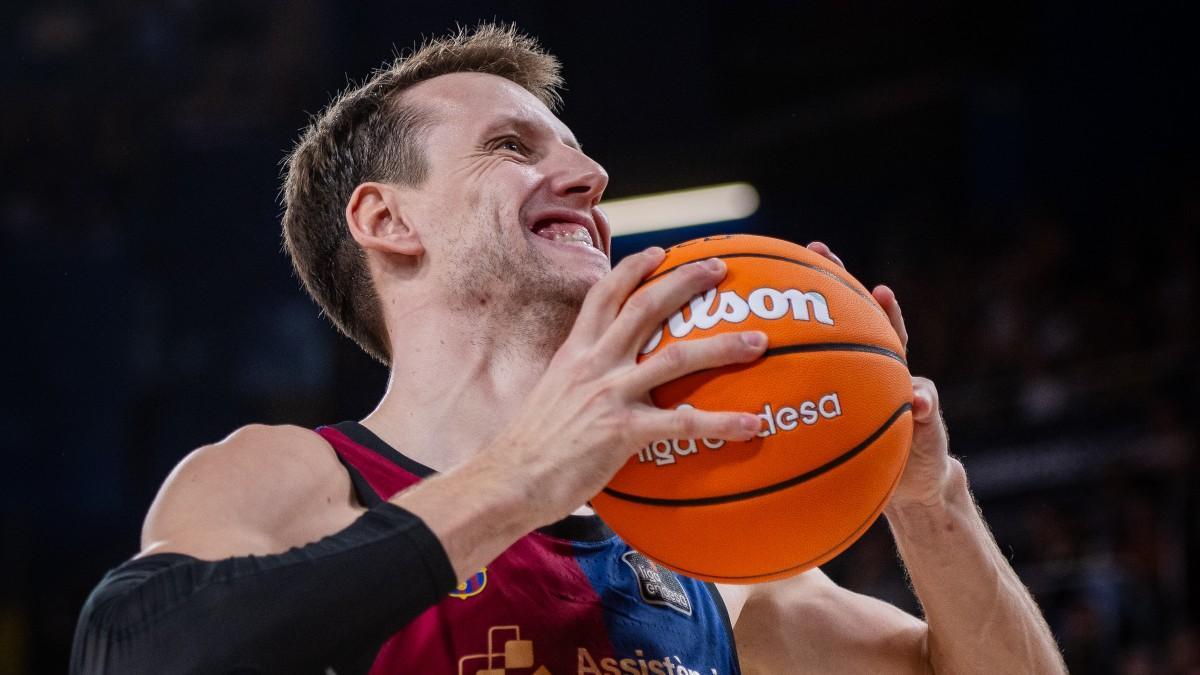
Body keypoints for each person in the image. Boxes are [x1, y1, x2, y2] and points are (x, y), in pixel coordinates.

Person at [72, 23, 1066, 674]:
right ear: (385, 219)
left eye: (576, 149)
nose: (589, 174)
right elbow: (136, 651)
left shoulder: (700, 543)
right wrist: (529, 475)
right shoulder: (294, 478)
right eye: (515, 147)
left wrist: (928, 500)